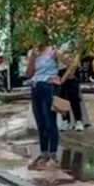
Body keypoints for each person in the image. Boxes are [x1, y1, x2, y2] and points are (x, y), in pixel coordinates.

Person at [25, 31, 66, 169]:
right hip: (36, 86)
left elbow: (72, 64)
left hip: (49, 86)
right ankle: (44, 153)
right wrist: (32, 58)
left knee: (50, 121)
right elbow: (28, 74)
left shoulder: (53, 51)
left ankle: (53, 152)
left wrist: (61, 79)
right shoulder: (33, 53)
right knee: (40, 122)